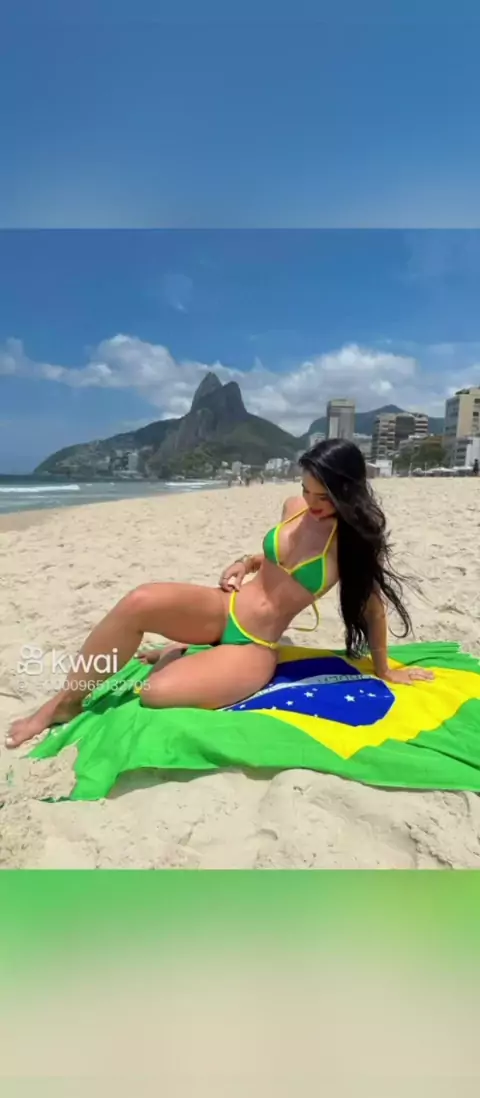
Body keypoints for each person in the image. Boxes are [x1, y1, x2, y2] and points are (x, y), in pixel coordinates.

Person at [6, 438, 433, 749]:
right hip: (223, 606)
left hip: (254, 645)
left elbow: (373, 609)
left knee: (155, 694)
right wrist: (246, 562)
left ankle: (178, 653)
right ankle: (66, 701)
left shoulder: (351, 543)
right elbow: (274, 556)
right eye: (306, 489)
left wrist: (384, 668)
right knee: (139, 601)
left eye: (323, 496)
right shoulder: (294, 508)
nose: (311, 501)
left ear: (348, 490)